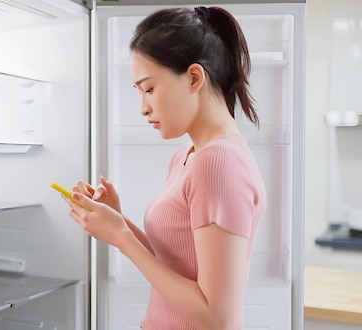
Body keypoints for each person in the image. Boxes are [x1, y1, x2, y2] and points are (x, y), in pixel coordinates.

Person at [59, 6, 267, 330]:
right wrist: (116, 220)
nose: (144, 108)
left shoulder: (219, 162)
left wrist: (122, 237)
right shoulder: (189, 155)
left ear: (194, 77)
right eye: (140, 92)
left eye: (150, 89)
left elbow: (217, 319)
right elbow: (176, 264)